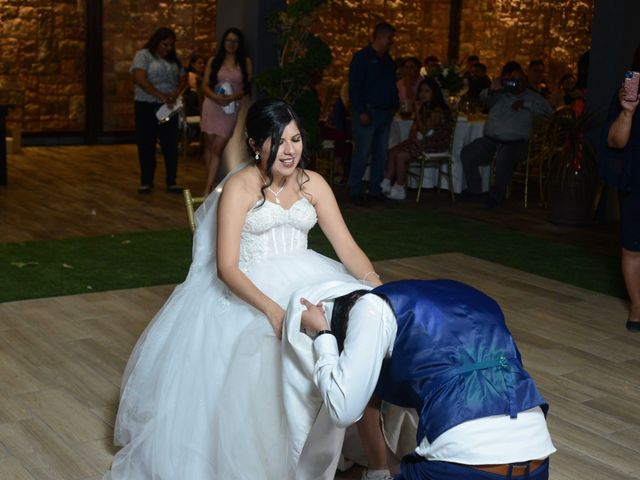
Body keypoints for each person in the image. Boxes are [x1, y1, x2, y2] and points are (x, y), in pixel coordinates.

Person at [105, 98, 382, 479]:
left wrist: (374, 284)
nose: (290, 150)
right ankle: (271, 461)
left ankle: (356, 449)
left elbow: (347, 248)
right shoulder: (240, 186)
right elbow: (226, 267)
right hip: (250, 286)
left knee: (356, 323)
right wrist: (271, 309)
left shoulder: (312, 182)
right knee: (261, 346)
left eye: (296, 139)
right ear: (255, 143)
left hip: (310, 279)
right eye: (278, 141)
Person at [297, 279, 556, 479]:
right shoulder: (468, 297)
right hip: (537, 459)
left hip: (465, 467)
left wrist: (323, 335)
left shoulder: (370, 309)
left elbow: (343, 409)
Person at [460, 61, 552, 209]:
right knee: (468, 153)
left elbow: (549, 112)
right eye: (511, 80)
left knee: (505, 157)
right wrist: (491, 89)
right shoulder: (500, 94)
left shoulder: (533, 97)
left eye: (518, 80)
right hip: (491, 141)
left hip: (516, 143)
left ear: (524, 79)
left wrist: (525, 104)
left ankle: (495, 197)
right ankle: (475, 189)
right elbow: (483, 97)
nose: (514, 83)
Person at [601, 45, 640, 332]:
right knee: (634, 247)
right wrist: (627, 112)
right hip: (636, 177)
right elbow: (615, 142)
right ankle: (637, 306)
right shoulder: (627, 94)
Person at [130, 27, 188, 194]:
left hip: (169, 106)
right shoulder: (143, 56)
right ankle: (146, 181)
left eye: (171, 45)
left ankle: (171, 180)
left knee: (170, 143)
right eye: (165, 44)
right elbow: (139, 78)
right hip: (146, 104)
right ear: (157, 42)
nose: (168, 48)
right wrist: (160, 95)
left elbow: (183, 78)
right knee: (146, 142)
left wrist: (174, 94)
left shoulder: (174, 59)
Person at [348, 21, 399, 205]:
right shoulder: (362, 58)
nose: (391, 41)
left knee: (380, 154)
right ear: (379, 36)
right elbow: (355, 87)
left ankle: (374, 190)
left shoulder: (387, 60)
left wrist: (394, 105)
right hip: (368, 111)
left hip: (384, 112)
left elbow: (391, 86)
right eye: (389, 37)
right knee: (363, 152)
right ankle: (355, 189)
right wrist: (360, 110)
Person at [381, 78, 452, 200]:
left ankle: (400, 188)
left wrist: (417, 112)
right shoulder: (424, 106)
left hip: (436, 142)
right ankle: (386, 183)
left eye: (427, 91)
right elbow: (414, 128)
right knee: (393, 151)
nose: (422, 94)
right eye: (421, 91)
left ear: (434, 93)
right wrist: (413, 138)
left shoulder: (438, 110)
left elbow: (424, 130)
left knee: (401, 156)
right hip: (423, 140)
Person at [201, 27, 252, 195]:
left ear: (239, 44)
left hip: (230, 109)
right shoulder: (214, 61)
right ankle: (211, 180)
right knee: (209, 145)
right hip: (212, 105)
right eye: (228, 40)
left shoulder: (245, 62)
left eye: (235, 41)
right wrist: (215, 97)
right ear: (223, 42)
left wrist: (233, 97)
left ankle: (208, 189)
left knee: (217, 147)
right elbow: (205, 85)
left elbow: (247, 87)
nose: (231, 44)